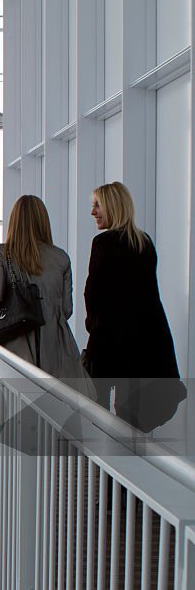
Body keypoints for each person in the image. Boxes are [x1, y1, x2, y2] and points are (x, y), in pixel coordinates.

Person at [84, 182, 184, 430]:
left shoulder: (103, 243)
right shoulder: (143, 242)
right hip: (146, 343)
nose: (93, 212)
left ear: (113, 206)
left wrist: (93, 330)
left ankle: (104, 467)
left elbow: (93, 296)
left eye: (98, 205)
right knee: (132, 421)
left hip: (111, 343)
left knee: (100, 414)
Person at [0, 195, 94, 396]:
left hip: (15, 347)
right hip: (57, 349)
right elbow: (67, 310)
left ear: (14, 221)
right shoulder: (61, 257)